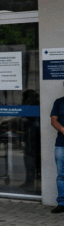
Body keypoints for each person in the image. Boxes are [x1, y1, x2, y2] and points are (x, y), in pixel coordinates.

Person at [51, 85, 64, 213]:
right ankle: (62, 203)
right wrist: (63, 130)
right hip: (61, 144)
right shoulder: (59, 102)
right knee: (61, 175)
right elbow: (53, 120)